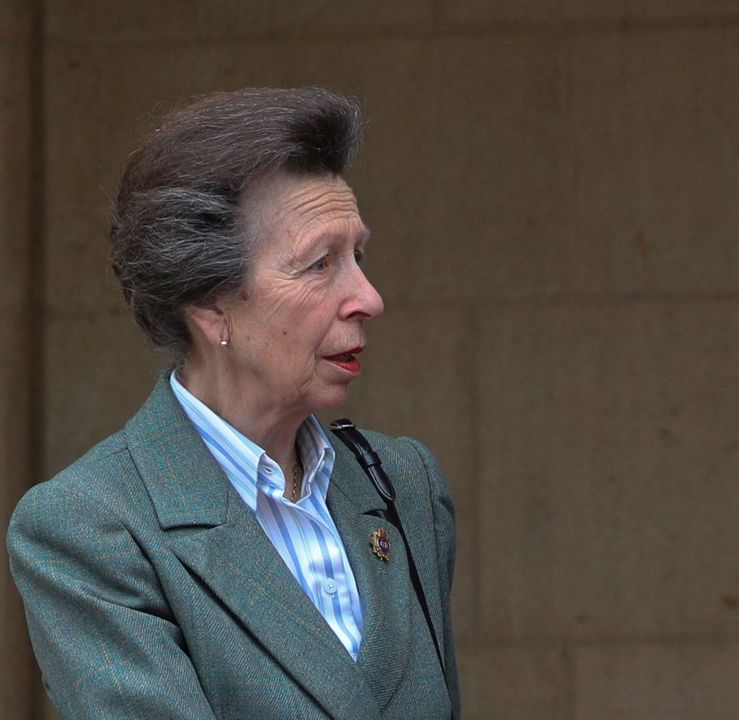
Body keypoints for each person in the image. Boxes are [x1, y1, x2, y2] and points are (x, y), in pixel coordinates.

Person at [8, 87, 460, 719]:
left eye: (358, 255)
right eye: (319, 264)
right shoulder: (94, 527)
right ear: (209, 302)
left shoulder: (402, 485)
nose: (368, 296)